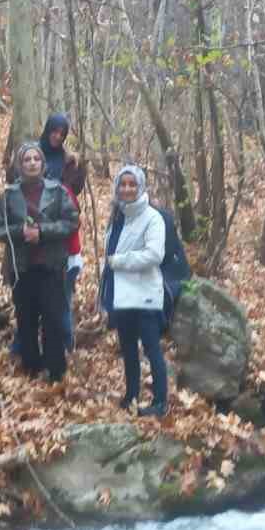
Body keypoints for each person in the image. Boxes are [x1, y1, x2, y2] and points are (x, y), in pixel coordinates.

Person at [0, 142, 80, 382]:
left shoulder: (58, 191)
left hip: (50, 266)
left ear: (42, 163)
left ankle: (55, 369)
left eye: (36, 159)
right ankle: (30, 367)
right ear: (20, 164)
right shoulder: (9, 194)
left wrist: (42, 231)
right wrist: (20, 232)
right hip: (21, 268)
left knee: (52, 318)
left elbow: (72, 222)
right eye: (27, 159)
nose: (32, 163)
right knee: (25, 318)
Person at [102, 165, 168, 417]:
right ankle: (131, 394)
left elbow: (154, 255)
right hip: (122, 295)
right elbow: (109, 254)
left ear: (140, 187)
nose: (127, 189)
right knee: (128, 348)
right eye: (123, 184)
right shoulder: (117, 216)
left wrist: (118, 261)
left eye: (132, 184)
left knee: (152, 349)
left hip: (145, 295)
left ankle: (161, 402)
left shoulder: (152, 217)